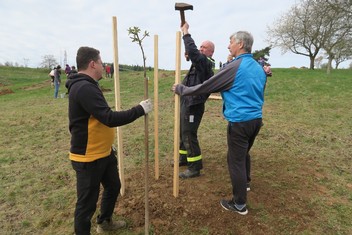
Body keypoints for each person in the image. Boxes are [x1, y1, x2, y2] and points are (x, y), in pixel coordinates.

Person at [172, 31, 266, 215]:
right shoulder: (257, 67)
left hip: (240, 121)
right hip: (256, 120)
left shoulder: (235, 67)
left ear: (240, 44)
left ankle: (239, 204)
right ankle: (245, 183)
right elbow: (260, 89)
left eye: (230, 42)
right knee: (243, 153)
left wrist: (183, 89)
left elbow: (208, 85)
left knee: (235, 160)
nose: (228, 46)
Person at [65, 46, 153, 234]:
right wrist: (140, 109)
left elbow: (97, 119)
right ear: (92, 64)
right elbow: (109, 118)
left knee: (113, 186)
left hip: (103, 152)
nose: (103, 66)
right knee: (86, 205)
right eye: (101, 62)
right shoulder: (83, 88)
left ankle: (104, 222)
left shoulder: (88, 86)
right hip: (88, 157)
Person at [176, 22, 215, 179]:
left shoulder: (206, 63)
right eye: (200, 47)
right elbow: (193, 55)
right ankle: (183, 159)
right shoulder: (199, 63)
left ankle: (194, 167)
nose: (201, 49)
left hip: (194, 105)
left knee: (189, 133)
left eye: (204, 48)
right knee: (182, 131)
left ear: (211, 52)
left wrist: (186, 33)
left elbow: (195, 54)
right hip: (187, 102)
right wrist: (190, 56)